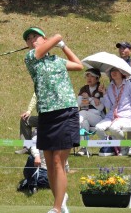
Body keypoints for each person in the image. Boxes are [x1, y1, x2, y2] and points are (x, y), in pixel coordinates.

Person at [22, 27, 83, 213]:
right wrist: (57, 38)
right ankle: (60, 198)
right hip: (46, 114)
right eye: (29, 39)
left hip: (66, 111)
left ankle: (56, 208)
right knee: (49, 162)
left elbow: (79, 65)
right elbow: (43, 47)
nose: (32, 41)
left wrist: (63, 46)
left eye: (36, 37)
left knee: (58, 161)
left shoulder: (58, 60)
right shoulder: (31, 58)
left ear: (44, 38)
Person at [96, 67, 131, 156]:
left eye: (116, 71)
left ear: (122, 73)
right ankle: (111, 146)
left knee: (114, 128)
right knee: (98, 128)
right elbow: (108, 106)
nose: (113, 73)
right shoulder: (110, 87)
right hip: (111, 116)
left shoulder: (129, 85)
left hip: (125, 116)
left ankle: (124, 147)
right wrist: (104, 93)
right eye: (112, 71)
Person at [76, 68, 105, 156]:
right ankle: (84, 148)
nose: (89, 78)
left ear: (97, 78)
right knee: (84, 122)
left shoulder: (101, 89)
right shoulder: (84, 88)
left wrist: (88, 98)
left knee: (82, 114)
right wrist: (92, 100)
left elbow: (100, 107)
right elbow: (79, 104)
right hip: (85, 115)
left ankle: (75, 125)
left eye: (92, 76)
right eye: (88, 76)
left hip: (98, 117)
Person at [17, 129, 49, 195]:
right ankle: (32, 186)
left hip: (47, 172)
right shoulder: (37, 136)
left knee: (52, 181)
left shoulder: (57, 137)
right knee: (31, 158)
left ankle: (28, 182)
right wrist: (37, 156)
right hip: (35, 167)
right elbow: (33, 147)